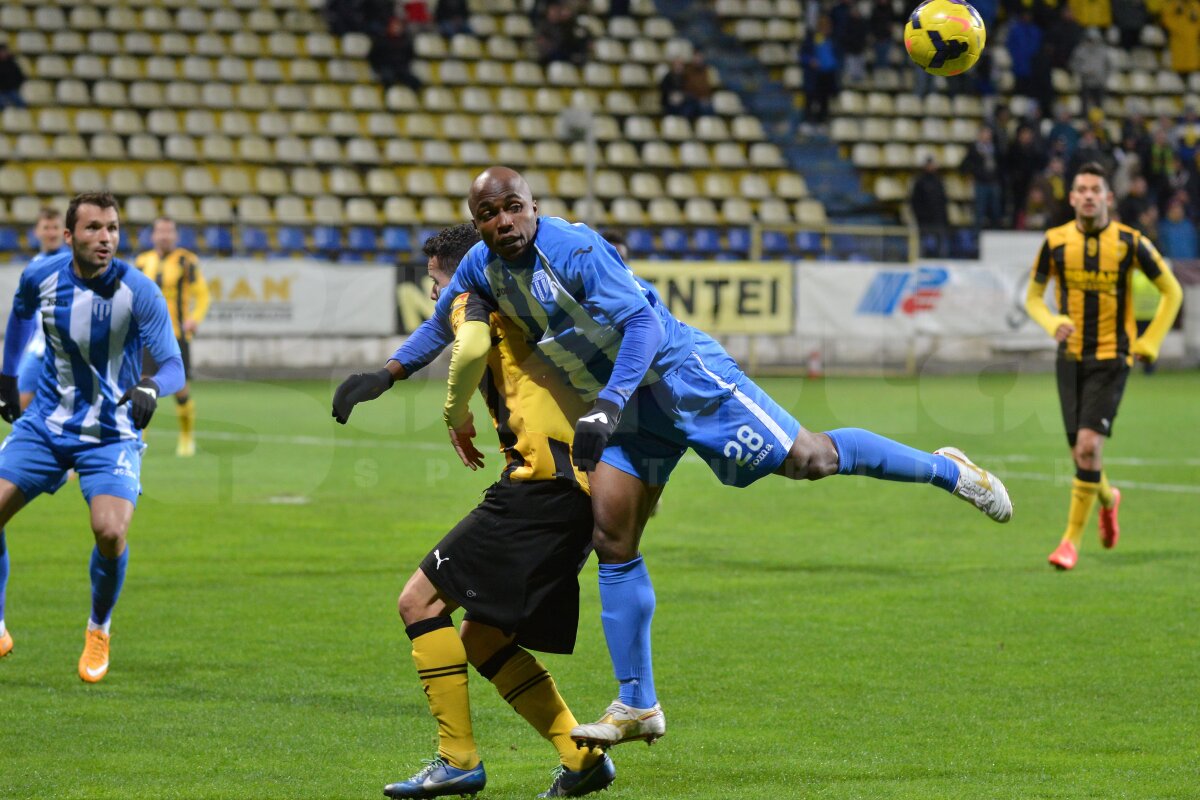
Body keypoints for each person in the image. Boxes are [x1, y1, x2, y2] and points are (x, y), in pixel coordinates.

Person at [333, 167, 1013, 748]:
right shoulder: (483, 265)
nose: (504, 220)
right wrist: (385, 375)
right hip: (622, 405)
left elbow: (644, 325)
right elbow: (440, 318)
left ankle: (951, 470)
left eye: (514, 206)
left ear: (533, 206)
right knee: (611, 536)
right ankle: (638, 703)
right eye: (489, 213)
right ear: (477, 223)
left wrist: (608, 403)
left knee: (810, 459)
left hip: (680, 378)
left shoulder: (575, 249)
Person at [372, 225, 614, 798]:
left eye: (434, 280)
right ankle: (581, 759)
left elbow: (471, 345)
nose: (435, 295)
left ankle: (457, 759)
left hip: (542, 486)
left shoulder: (470, 294)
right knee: (481, 636)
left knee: (418, 601)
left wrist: (454, 414)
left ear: (454, 270)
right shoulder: (519, 296)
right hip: (578, 487)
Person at [0, 192, 184, 678]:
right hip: (45, 422)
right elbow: (19, 316)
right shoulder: (41, 276)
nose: (105, 238)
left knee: (110, 531)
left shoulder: (138, 290)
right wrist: (5, 375)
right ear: (69, 236)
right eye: (93, 228)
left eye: (112, 229)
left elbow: (173, 366)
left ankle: (98, 628)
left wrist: (150, 384)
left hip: (110, 431)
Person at [1024, 163, 1183, 571]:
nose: (1090, 195)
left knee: (1089, 446)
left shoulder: (1131, 243)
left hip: (1113, 357)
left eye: (1097, 189)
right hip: (1070, 358)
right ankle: (1109, 499)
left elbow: (1172, 290)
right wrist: (1051, 322)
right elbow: (1034, 298)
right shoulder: (1055, 242)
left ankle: (1069, 543)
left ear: (1109, 197)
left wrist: (1150, 341)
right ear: (1073, 198)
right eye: (1083, 189)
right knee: (1082, 453)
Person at [134, 216, 210, 457]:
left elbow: (203, 295)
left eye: (169, 231)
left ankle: (186, 438)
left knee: (180, 388)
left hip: (176, 335)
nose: (164, 236)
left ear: (175, 236)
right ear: (153, 235)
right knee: (143, 386)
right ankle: (138, 439)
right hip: (147, 336)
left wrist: (194, 319)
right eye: (160, 231)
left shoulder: (187, 261)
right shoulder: (142, 261)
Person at [16, 208, 71, 411]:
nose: (51, 233)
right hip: (39, 347)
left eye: (55, 227)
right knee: (19, 401)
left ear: (65, 232)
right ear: (36, 232)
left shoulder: (73, 263)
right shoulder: (35, 263)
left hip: (67, 350)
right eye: (46, 228)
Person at [910, 156, 950, 257]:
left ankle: (940, 260)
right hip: (924, 219)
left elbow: (943, 200)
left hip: (938, 218)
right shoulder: (919, 182)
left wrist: (944, 216)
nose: (931, 167)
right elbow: (915, 201)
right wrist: (919, 215)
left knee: (940, 244)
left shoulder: (939, 181)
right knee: (923, 244)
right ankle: (921, 259)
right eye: (929, 165)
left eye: (933, 165)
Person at [0, 44, 26, 109]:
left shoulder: (13, 64)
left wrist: (16, 86)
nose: (3, 53)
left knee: (21, 104)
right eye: (1, 51)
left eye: (4, 51)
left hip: (11, 89)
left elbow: (21, 77)